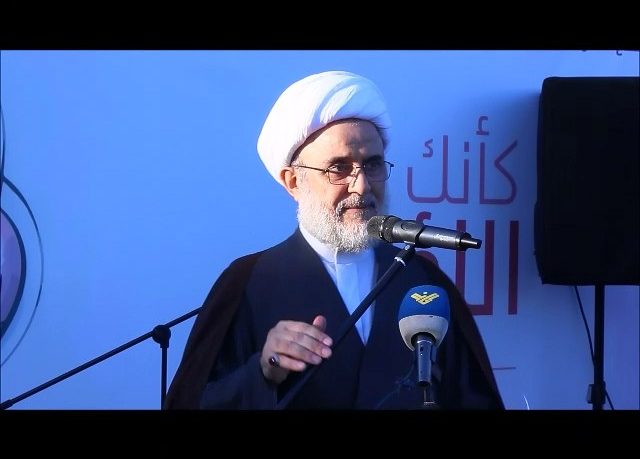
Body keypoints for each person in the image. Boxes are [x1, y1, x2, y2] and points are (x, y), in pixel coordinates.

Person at [164, 70, 504, 410]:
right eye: (338, 168)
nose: (361, 186)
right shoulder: (249, 283)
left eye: (372, 165)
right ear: (293, 182)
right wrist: (264, 371)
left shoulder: (421, 281)